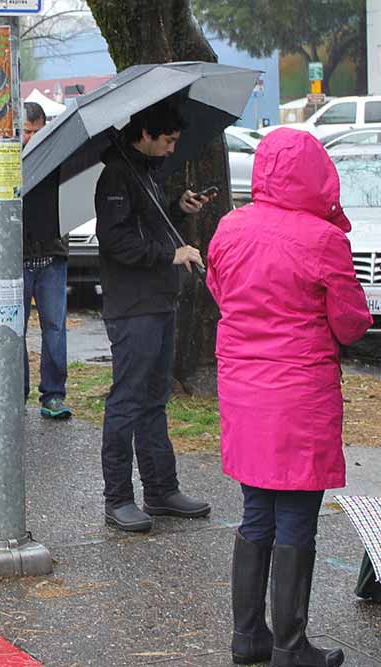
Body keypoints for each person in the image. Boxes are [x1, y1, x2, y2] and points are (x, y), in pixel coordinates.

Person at [207, 128, 371, 667]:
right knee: (297, 519)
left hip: (243, 390)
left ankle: (248, 637)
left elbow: (219, 289)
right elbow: (349, 325)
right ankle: (290, 646)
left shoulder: (230, 228)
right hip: (299, 395)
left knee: (257, 513)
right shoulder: (324, 240)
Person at [93, 101, 211, 533]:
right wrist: (170, 252)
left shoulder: (144, 170)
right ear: (146, 134)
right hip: (133, 306)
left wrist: (178, 207)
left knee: (155, 401)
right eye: (168, 140)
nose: (171, 148)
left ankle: (161, 489)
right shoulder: (117, 176)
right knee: (127, 401)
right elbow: (117, 241)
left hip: (160, 301)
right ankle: (118, 497)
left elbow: (149, 222)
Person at [21, 101, 72, 420]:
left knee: (55, 328)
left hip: (52, 254)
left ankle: (53, 394)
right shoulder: (7, 161)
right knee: (14, 330)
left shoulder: (59, 159)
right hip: (18, 256)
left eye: (38, 132)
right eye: (26, 132)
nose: (32, 138)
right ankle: (16, 392)